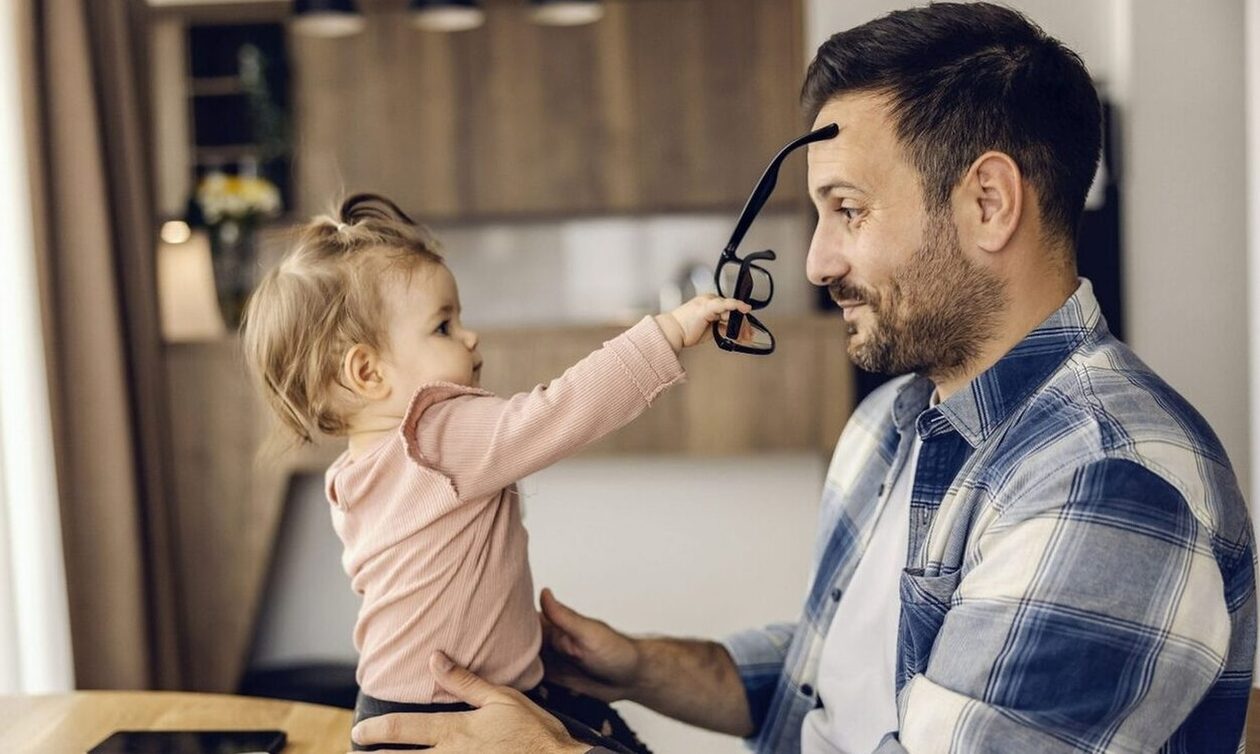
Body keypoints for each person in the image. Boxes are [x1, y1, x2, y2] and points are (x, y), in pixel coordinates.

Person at [350, 3, 1256, 753]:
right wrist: (636, 664)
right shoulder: (896, 424)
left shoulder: (1107, 486)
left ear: (988, 203)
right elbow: (843, 679)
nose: (819, 262)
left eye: (848, 211)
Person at [240, 193, 751, 752]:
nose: (470, 336)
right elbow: (560, 410)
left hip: (393, 711)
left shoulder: (352, 472)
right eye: (443, 326)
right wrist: (668, 333)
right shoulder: (433, 432)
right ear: (368, 372)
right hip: (456, 713)